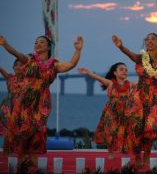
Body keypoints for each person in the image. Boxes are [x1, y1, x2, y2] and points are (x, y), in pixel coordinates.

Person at [0, 35, 83, 168]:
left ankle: (32, 167)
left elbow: (71, 64)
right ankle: (22, 168)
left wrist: (78, 50)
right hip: (24, 102)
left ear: (48, 46)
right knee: (23, 134)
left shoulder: (54, 65)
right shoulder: (29, 60)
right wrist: (5, 44)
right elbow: (16, 53)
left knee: (36, 133)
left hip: (42, 103)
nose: (37, 44)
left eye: (41, 42)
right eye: (36, 42)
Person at [112, 33, 157, 167]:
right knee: (136, 127)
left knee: (149, 128)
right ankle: (137, 155)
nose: (149, 41)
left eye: (153, 39)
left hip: (154, 96)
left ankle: (147, 154)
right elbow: (130, 54)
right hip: (139, 95)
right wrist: (120, 46)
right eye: (147, 39)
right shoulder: (141, 58)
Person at [78, 62, 136, 160]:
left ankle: (125, 150)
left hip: (125, 112)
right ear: (115, 73)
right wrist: (88, 73)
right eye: (121, 69)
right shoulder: (110, 83)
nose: (124, 71)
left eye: (126, 70)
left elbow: (143, 83)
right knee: (110, 131)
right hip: (111, 111)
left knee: (125, 132)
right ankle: (110, 152)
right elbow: (98, 78)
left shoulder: (130, 84)